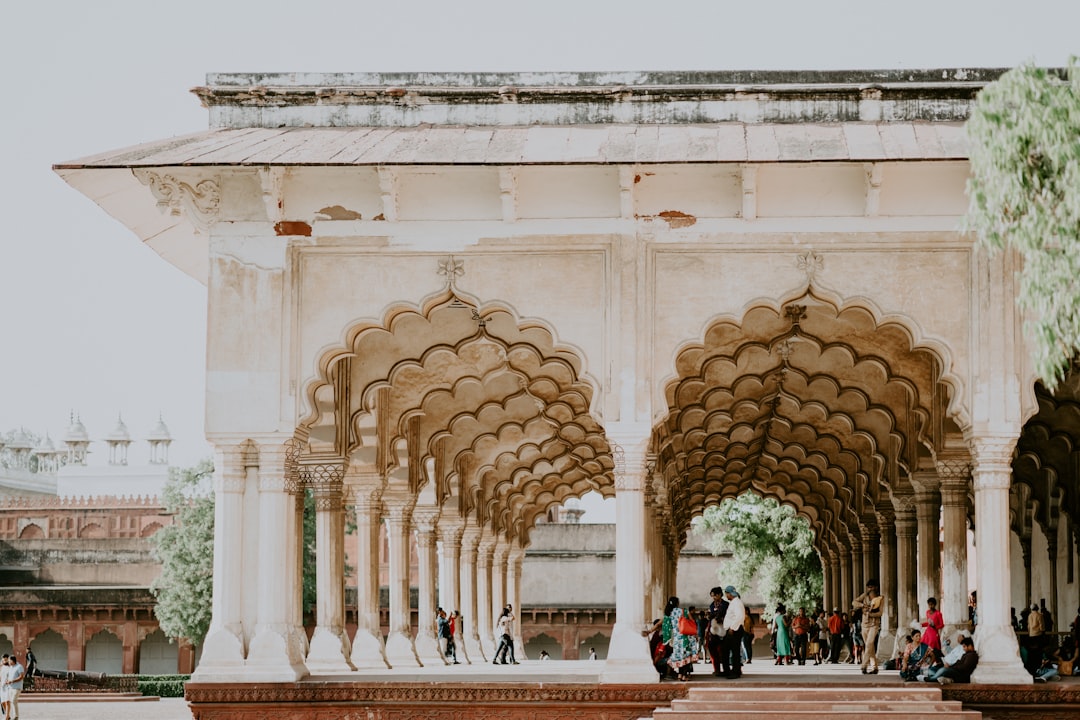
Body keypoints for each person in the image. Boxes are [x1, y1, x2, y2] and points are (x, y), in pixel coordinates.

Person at [853, 579, 883, 674]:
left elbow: (880, 613)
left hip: (874, 624)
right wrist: (862, 605)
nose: (870, 589)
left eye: (872, 587)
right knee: (869, 646)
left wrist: (871, 614)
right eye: (869, 587)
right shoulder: (864, 596)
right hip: (864, 625)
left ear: (876, 587)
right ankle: (875, 667)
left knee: (869, 643)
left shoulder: (880, 598)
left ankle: (864, 665)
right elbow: (854, 602)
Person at [721, 586, 746, 679]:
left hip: (734, 629)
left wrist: (732, 628)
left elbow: (739, 616)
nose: (726, 596)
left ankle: (735, 671)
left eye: (726, 594)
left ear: (730, 594)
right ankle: (728, 670)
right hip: (732, 629)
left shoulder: (737, 603)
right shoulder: (734, 602)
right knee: (726, 650)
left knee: (734, 651)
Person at [705, 586, 729, 677]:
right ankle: (717, 669)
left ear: (719, 595)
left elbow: (723, 614)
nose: (713, 598)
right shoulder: (712, 605)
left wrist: (714, 615)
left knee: (723, 651)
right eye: (712, 596)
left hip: (723, 630)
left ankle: (726, 670)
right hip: (714, 630)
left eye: (714, 596)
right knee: (713, 649)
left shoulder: (725, 604)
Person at [5, 653, 24, 720]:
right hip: (10, 687)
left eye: (9, 661)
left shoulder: (19, 666)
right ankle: (14, 715)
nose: (8, 662)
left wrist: (12, 681)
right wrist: (7, 681)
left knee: (13, 700)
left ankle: (16, 716)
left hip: (17, 687)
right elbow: (9, 676)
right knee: (12, 701)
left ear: (13, 661)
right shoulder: (10, 667)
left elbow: (21, 676)